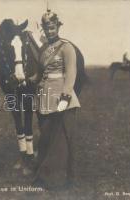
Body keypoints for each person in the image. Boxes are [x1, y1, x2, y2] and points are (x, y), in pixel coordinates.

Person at [33, 10, 81, 189]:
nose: (49, 31)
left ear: (58, 27)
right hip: (45, 100)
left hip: (63, 101)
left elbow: (71, 73)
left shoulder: (66, 47)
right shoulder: (44, 50)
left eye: (52, 27)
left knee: (62, 141)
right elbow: (39, 75)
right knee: (46, 139)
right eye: (46, 28)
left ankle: (62, 179)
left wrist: (65, 97)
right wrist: (24, 79)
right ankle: (46, 176)